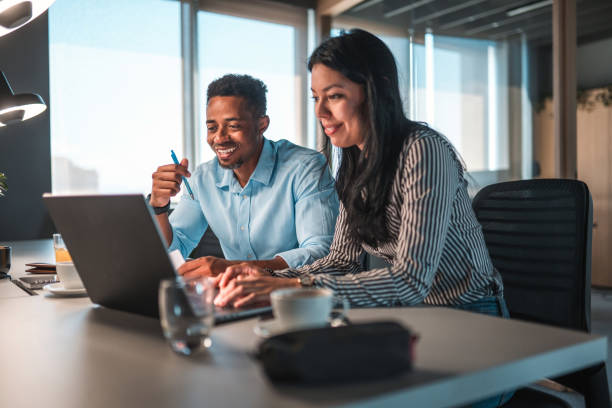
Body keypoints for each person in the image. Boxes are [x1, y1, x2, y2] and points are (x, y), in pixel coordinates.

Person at [149, 74, 339, 278]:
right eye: (212, 128)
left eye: (233, 126)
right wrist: (159, 207)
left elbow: (321, 253)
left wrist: (233, 268)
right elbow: (174, 251)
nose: (219, 138)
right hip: (234, 300)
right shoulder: (202, 179)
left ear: (262, 125)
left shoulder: (305, 167)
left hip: (296, 296)